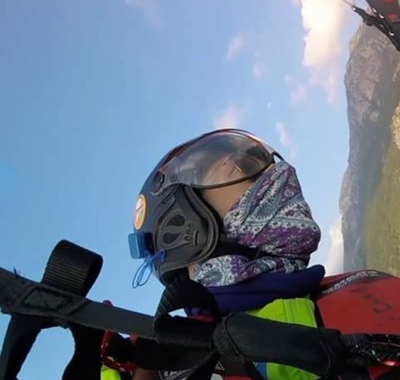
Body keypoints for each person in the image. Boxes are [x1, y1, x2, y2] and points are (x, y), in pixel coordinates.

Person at [101, 128, 390, 380]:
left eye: (262, 166)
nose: (276, 176)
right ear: (189, 230)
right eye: (243, 168)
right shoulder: (189, 367)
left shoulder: (350, 282)